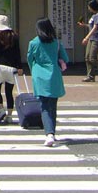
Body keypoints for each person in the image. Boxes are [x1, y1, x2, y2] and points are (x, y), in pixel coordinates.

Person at [27, 17, 69, 147]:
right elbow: (65, 58)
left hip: (39, 75)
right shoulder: (56, 42)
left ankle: (49, 134)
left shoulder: (34, 43)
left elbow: (29, 59)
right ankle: (52, 133)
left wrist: (33, 69)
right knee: (53, 106)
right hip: (54, 75)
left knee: (44, 106)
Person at [79, 0, 98, 82]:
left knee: (92, 58)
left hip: (96, 39)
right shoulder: (94, 16)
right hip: (91, 39)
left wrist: (86, 38)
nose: (88, 8)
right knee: (87, 58)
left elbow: (95, 27)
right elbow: (91, 26)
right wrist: (84, 25)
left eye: (89, 7)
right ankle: (90, 76)